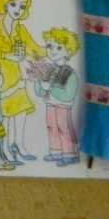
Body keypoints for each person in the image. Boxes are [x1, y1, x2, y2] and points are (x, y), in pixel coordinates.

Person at [0, 0, 45, 163]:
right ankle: (6, 149)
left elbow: (33, 47)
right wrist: (7, 55)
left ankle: (19, 145)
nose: (17, 9)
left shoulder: (20, 29)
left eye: (22, 6)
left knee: (21, 110)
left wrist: (47, 50)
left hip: (17, 76)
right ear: (5, 3)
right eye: (14, 4)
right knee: (5, 114)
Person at [34, 27, 81, 167]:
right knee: (51, 127)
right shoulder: (49, 69)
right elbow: (40, 91)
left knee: (63, 128)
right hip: (50, 104)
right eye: (50, 46)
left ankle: (69, 154)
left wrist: (50, 88)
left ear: (69, 51)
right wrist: (38, 81)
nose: (53, 51)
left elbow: (68, 95)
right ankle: (55, 152)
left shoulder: (70, 73)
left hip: (63, 106)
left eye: (59, 48)